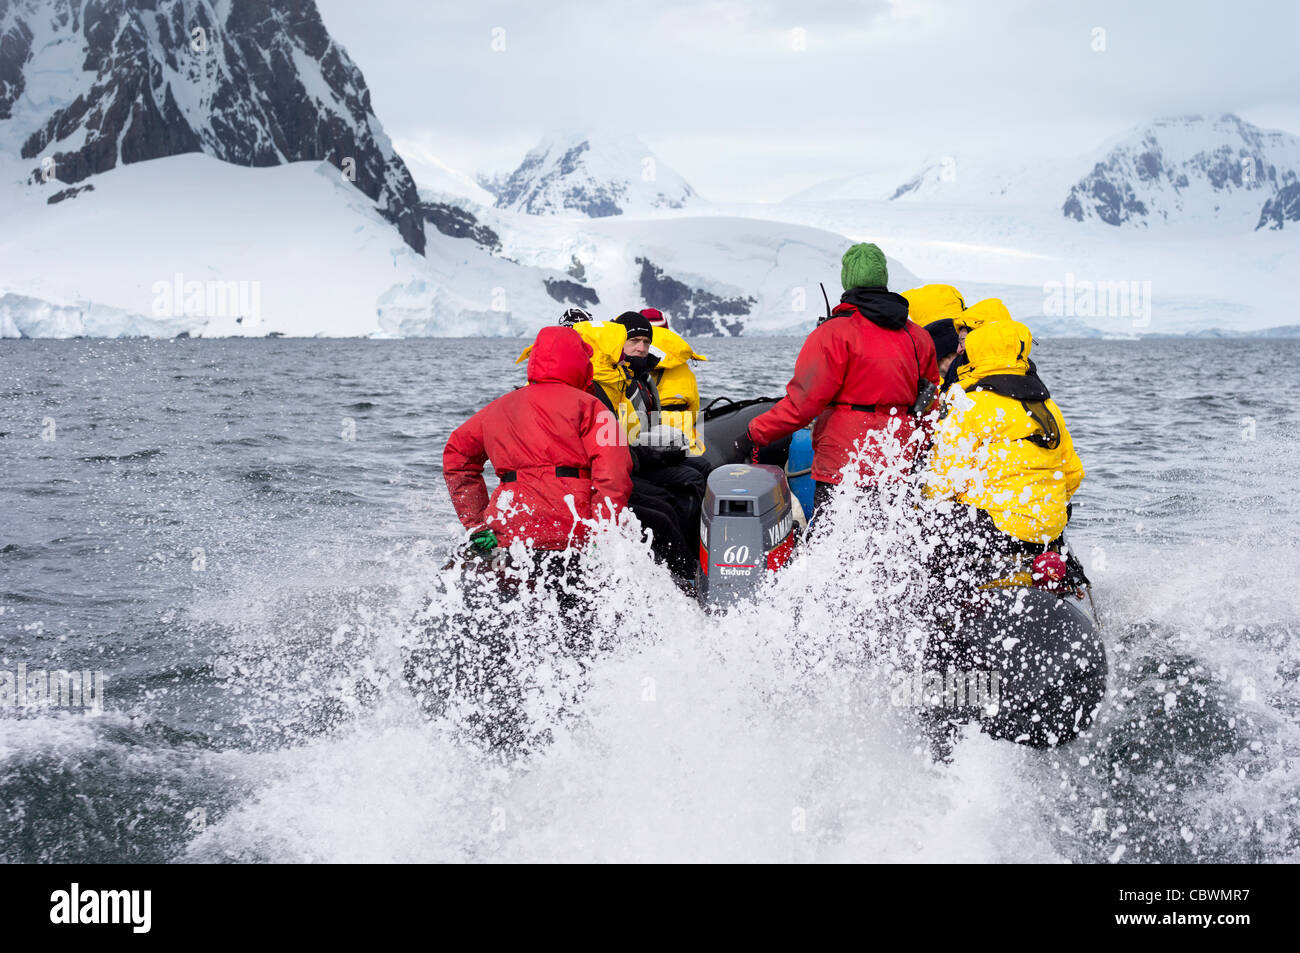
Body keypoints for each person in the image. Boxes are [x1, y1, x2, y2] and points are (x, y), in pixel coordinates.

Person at [739, 242, 940, 513]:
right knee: (890, 546)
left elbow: (803, 404)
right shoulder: (918, 336)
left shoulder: (833, 333)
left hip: (844, 463)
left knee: (836, 545)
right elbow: (929, 407)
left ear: (848, 279)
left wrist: (756, 432)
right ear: (883, 278)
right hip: (897, 463)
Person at [921, 310, 1084, 584]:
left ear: (974, 353)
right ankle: (1054, 572)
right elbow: (1073, 475)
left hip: (997, 527)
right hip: (1049, 527)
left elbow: (942, 481)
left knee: (929, 525)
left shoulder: (967, 404)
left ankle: (943, 599)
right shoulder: (1046, 405)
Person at [443, 325, 632, 552]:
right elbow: (614, 473)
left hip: (511, 526)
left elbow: (456, 456)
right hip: (574, 528)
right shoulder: (592, 407)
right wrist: (603, 533)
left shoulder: (497, 408)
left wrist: (477, 525)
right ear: (582, 362)